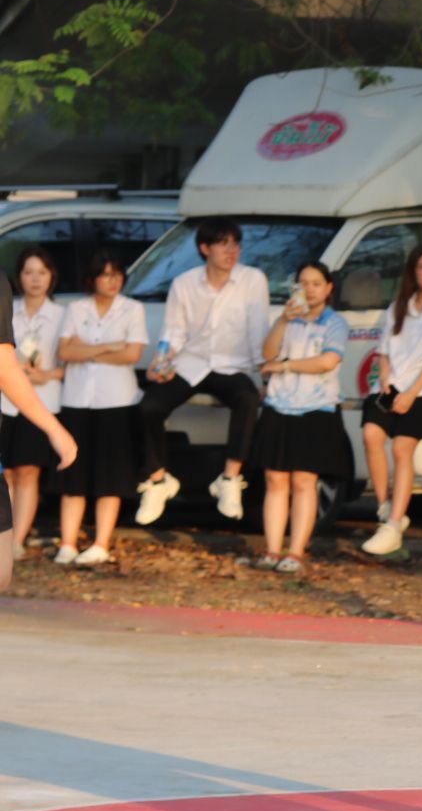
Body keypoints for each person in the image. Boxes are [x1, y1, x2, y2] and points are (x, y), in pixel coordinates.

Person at [134, 218, 269, 525]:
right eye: (223, 244)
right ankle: (158, 480)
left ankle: (230, 479)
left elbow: (258, 331)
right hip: (190, 363)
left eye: (235, 244)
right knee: (149, 406)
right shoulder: (184, 283)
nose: (231, 251)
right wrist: (161, 363)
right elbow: (174, 331)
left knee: (248, 399)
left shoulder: (253, 280)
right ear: (205, 248)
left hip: (231, 365)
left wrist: (265, 377)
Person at [360, 245, 422, 557]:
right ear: (413, 272)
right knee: (371, 434)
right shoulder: (397, 308)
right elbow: (384, 352)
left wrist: (411, 394)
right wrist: (386, 381)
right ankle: (385, 507)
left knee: (402, 448)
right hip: (394, 384)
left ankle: (393, 527)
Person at [252, 262, 353, 573]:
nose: (309, 290)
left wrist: (285, 366)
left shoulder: (335, 322)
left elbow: (327, 361)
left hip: (316, 408)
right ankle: (272, 549)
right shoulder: (285, 319)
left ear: (329, 288)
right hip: (279, 404)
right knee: (275, 479)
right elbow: (267, 354)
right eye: (303, 283)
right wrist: (283, 321)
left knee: (305, 481)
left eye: (316, 283)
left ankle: (296, 551)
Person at [56, 254, 146, 566]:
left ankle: (100, 542)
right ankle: (68, 542)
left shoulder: (132, 309)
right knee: (74, 474)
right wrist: (109, 346)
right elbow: (65, 351)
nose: (112, 281)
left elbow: (131, 354)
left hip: (116, 399)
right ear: (92, 278)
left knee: (111, 475)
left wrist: (86, 350)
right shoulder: (76, 309)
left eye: (117, 274)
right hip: (78, 398)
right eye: (106, 275)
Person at [3, 248, 68, 558]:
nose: (35, 279)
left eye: (41, 272)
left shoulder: (62, 314)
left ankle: (17, 537)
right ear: (19, 277)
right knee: (6, 472)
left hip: (43, 399)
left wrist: (47, 373)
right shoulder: (9, 308)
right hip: (5, 401)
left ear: (51, 276)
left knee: (28, 471)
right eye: (29, 272)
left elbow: (71, 363)